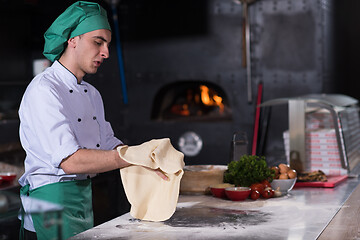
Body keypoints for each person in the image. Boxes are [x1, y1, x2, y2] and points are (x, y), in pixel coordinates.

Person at [18, 1, 167, 240]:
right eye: (98, 42)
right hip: (48, 200)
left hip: (81, 195)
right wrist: (130, 157)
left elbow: (107, 142)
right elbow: (70, 161)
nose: (106, 52)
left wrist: (147, 156)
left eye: (107, 44)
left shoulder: (92, 93)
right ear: (72, 40)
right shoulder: (44, 89)